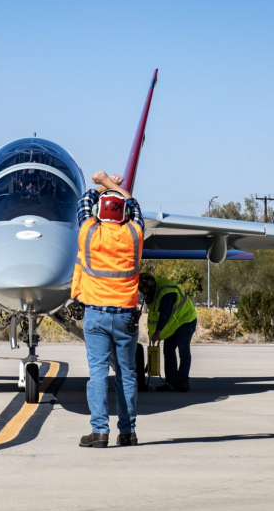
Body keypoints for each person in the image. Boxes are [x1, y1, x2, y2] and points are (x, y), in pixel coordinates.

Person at [71, 171, 144, 448]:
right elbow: (134, 205)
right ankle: (128, 432)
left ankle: (99, 432)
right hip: (125, 315)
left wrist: (100, 183)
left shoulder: (89, 232)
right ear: (124, 213)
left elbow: (84, 200)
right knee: (127, 374)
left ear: (99, 212)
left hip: (96, 315)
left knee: (98, 372)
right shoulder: (134, 235)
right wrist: (113, 185)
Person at [139, 273, 197, 392]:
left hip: (186, 319)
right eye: (141, 290)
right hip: (174, 323)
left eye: (144, 289)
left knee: (183, 348)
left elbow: (164, 315)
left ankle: (182, 382)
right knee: (168, 350)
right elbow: (154, 317)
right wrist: (153, 334)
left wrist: (158, 332)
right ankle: (170, 382)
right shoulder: (153, 294)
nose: (143, 292)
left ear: (151, 285)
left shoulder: (167, 292)